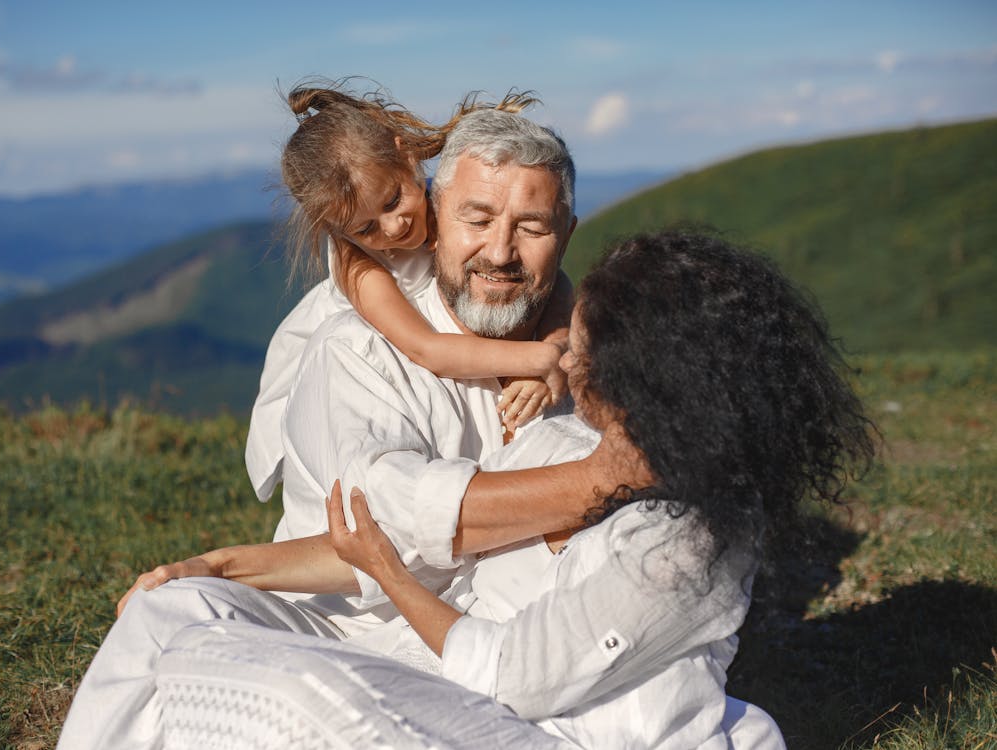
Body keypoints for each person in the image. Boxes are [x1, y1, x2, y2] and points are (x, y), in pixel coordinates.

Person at [154, 230, 875, 748]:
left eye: (577, 347)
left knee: (273, 694)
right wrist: (219, 566)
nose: (558, 354)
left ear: (637, 374)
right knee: (172, 617)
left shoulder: (690, 540)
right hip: (454, 695)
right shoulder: (554, 443)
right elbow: (395, 541)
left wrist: (392, 581)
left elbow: (512, 674)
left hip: (534, 724)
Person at [58, 105, 623, 749]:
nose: (500, 250)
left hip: (506, 656)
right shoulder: (357, 347)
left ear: (567, 234)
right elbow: (388, 519)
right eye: (477, 218)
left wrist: (562, 352)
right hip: (347, 634)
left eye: (531, 226)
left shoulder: (596, 362)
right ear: (440, 219)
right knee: (169, 612)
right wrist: (603, 479)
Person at [245, 82, 573, 505]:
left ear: (406, 156)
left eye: (393, 199)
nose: (394, 228)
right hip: (364, 362)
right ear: (336, 230)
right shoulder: (358, 268)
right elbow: (427, 348)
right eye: (365, 229)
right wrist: (540, 360)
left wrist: (559, 343)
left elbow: (552, 277)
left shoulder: (454, 204)